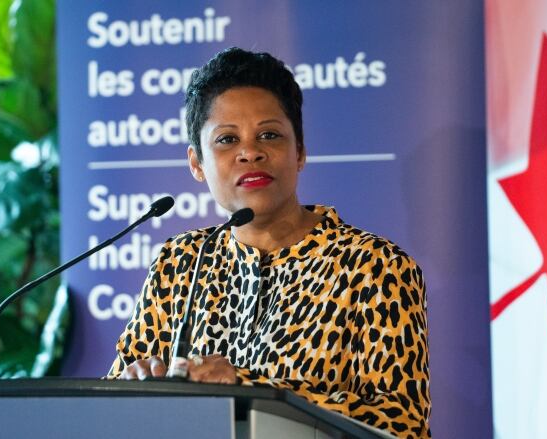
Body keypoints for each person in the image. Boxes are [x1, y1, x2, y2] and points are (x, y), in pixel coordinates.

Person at [106, 47, 430, 438]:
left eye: (269, 135)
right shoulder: (181, 262)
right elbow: (112, 408)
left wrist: (251, 390)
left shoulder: (374, 267)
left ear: (300, 152)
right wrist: (133, 383)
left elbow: (403, 427)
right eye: (226, 139)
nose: (250, 152)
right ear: (196, 164)